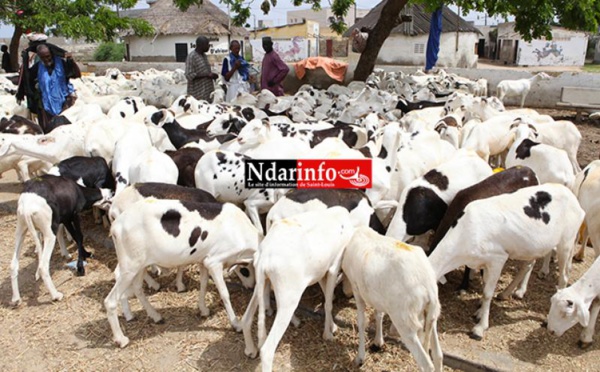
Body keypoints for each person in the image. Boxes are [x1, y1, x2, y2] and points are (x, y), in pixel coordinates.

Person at [15, 43, 79, 131]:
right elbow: (27, 79)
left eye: (48, 56)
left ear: (52, 54)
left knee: (66, 130)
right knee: (48, 131)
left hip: (64, 103)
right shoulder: (37, 67)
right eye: (43, 57)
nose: (46, 59)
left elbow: (76, 74)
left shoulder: (62, 64)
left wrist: (71, 61)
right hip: (45, 105)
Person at [185, 35, 218, 102]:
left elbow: (205, 72)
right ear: (201, 45)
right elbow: (189, 75)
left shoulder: (204, 56)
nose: (209, 46)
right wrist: (206, 75)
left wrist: (212, 75)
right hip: (197, 95)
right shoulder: (192, 57)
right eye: (207, 44)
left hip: (207, 93)